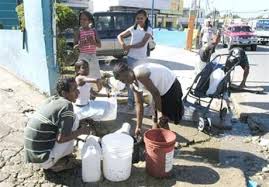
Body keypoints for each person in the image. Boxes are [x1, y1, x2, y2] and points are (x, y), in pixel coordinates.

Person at [24, 77, 93, 172]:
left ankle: (60, 155)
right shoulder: (66, 105)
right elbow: (61, 139)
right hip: (43, 157)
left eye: (77, 88)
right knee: (74, 119)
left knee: (72, 120)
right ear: (64, 93)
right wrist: (82, 131)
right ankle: (55, 163)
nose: (78, 92)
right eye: (74, 90)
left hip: (32, 154)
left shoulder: (52, 99)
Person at [113, 62, 184, 136]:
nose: (126, 80)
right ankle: (155, 138)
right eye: (122, 80)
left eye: (126, 76)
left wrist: (160, 113)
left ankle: (169, 143)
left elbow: (156, 93)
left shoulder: (140, 75)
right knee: (155, 117)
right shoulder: (133, 86)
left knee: (162, 119)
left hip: (170, 86)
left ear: (130, 70)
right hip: (157, 91)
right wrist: (138, 126)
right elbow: (139, 104)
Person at [117, 9, 153, 110]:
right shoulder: (133, 28)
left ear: (146, 18)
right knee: (130, 80)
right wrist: (123, 44)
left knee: (141, 81)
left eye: (141, 18)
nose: (139, 20)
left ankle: (142, 102)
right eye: (137, 18)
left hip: (141, 60)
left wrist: (129, 46)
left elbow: (142, 44)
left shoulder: (149, 29)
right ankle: (130, 102)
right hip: (131, 58)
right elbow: (119, 36)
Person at [74, 10, 102, 81]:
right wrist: (81, 44)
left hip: (93, 57)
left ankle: (93, 91)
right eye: (81, 19)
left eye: (84, 19)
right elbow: (74, 47)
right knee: (83, 77)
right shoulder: (78, 31)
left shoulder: (94, 31)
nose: (82, 21)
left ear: (90, 21)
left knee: (95, 77)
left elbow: (99, 45)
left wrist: (93, 42)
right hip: (83, 57)